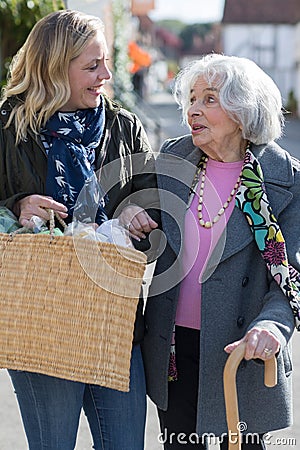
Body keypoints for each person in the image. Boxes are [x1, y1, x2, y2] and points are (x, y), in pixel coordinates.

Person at [0, 9, 159, 450]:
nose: (106, 75)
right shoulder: (8, 127)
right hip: (40, 318)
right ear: (53, 68)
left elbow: (158, 206)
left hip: (115, 318)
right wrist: (17, 206)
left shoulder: (124, 127)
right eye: (92, 66)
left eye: (106, 62)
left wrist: (136, 216)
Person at [142, 53, 300, 449]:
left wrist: (272, 328)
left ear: (244, 109)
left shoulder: (287, 181)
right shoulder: (173, 159)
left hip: (243, 349)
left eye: (209, 99)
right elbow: (147, 237)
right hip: (174, 348)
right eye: (192, 99)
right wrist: (131, 214)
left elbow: (290, 277)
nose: (193, 109)